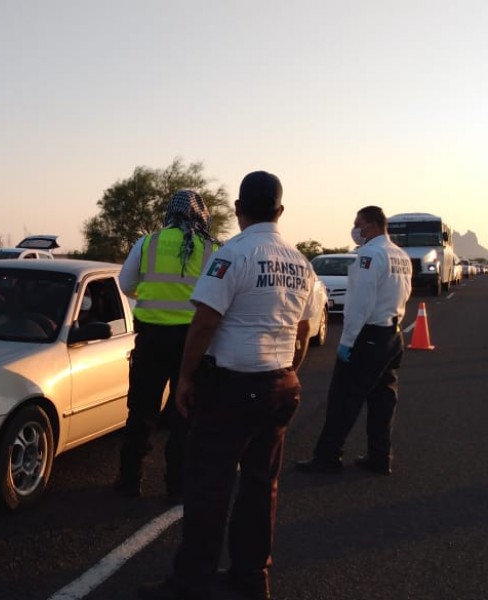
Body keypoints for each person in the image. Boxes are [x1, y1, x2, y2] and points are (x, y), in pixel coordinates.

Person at [138, 171, 321, 600]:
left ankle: (191, 581)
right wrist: (291, 371)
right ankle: (252, 577)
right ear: (280, 211)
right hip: (280, 384)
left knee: (209, 488)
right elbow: (305, 328)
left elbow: (204, 322)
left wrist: (185, 377)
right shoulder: (300, 261)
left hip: (232, 388)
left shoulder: (233, 254)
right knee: (261, 487)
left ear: (238, 209)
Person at [115, 189, 219, 504]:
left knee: (142, 411)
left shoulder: (147, 243)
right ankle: (177, 484)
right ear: (202, 215)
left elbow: (125, 284)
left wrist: (150, 297)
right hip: (193, 342)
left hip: (150, 339)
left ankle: (129, 481)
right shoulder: (211, 249)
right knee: (185, 414)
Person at [295, 206, 412, 476]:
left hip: (368, 336)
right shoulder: (400, 256)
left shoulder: (369, 254)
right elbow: (404, 293)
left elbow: (361, 303)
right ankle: (380, 457)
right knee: (383, 401)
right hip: (392, 335)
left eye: (357, 224)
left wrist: (347, 342)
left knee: (343, 399)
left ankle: (327, 457)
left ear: (370, 225)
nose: (355, 229)